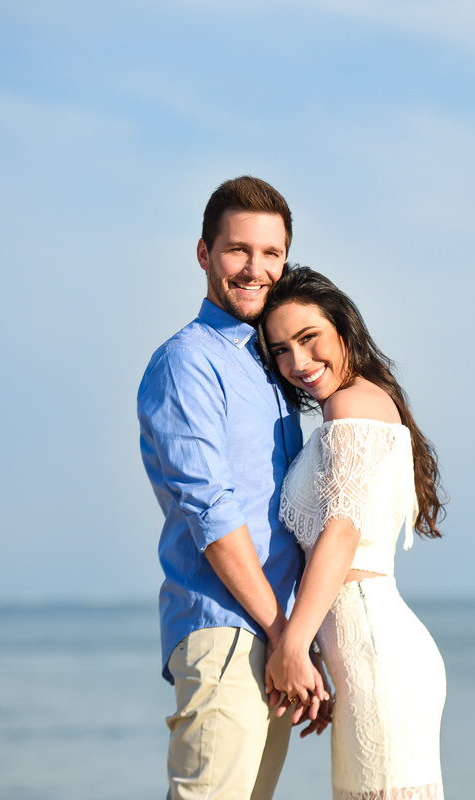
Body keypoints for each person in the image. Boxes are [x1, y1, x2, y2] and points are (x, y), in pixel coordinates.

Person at [137, 176, 327, 800]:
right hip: (227, 630)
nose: (255, 268)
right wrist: (284, 636)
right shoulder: (187, 361)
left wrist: (297, 641)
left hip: (273, 635)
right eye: (238, 250)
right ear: (204, 254)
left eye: (271, 254)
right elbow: (211, 512)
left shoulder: (271, 368)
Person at [260, 265, 447, 800]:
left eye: (308, 338)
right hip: (367, 654)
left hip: (378, 653)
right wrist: (316, 653)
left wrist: (292, 646)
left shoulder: (351, 404)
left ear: (342, 327)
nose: (297, 363)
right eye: (280, 351)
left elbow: (341, 532)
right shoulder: (358, 404)